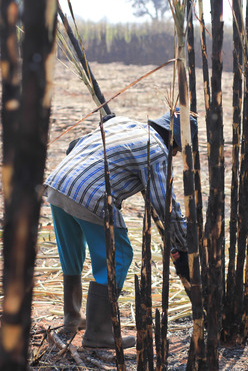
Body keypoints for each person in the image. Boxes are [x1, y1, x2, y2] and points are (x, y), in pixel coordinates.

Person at [44, 109, 197, 349]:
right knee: (119, 255)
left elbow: (73, 146)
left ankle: (72, 317)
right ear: (174, 141)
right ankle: (98, 335)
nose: (174, 155)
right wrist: (183, 244)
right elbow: (164, 204)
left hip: (57, 184)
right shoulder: (156, 149)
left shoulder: (120, 123)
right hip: (90, 195)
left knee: (71, 254)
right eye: (177, 150)